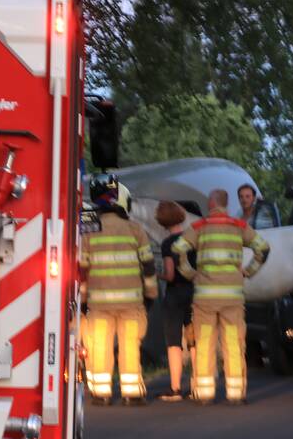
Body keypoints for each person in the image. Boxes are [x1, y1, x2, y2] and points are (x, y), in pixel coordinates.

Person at [172, 189, 270, 405]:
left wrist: (189, 273)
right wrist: (249, 271)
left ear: (210, 204)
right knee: (233, 343)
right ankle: (235, 394)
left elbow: (177, 249)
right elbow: (263, 248)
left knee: (205, 343)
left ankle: (204, 393)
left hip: (205, 298)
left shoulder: (199, 226)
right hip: (232, 298)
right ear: (226, 204)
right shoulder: (239, 226)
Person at [79, 174, 158, 406]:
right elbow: (149, 266)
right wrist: (150, 295)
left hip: (99, 304)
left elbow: (83, 268)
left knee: (100, 347)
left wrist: (83, 300)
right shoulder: (135, 229)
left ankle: (101, 394)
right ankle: (131, 393)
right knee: (130, 346)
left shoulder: (90, 228)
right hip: (131, 303)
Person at [155, 201, 196, 401]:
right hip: (194, 293)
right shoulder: (192, 240)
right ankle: (198, 385)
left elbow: (170, 275)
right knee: (194, 340)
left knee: (174, 342)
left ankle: (176, 388)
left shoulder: (167, 244)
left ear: (162, 221)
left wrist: (158, 274)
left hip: (175, 295)